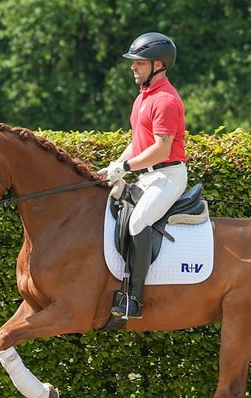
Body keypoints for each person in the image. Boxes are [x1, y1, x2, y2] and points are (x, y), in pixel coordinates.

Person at [100, 32, 188, 319]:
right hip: (146, 177)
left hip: (167, 177)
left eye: (139, 62)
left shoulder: (166, 100)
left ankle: (133, 299)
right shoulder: (143, 99)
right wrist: (116, 164)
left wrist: (125, 169)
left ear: (158, 65)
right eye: (134, 62)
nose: (133, 67)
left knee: (138, 222)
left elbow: (162, 149)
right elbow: (139, 141)